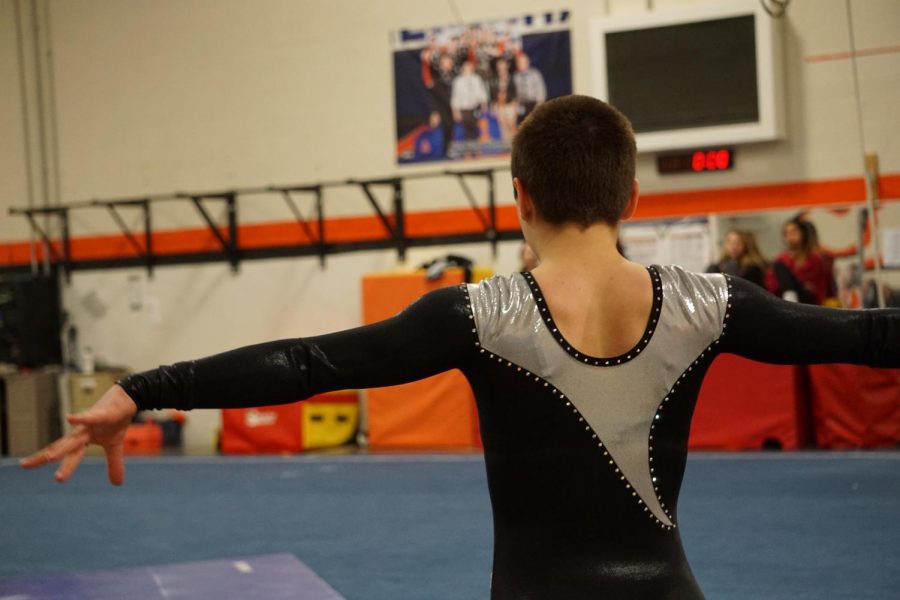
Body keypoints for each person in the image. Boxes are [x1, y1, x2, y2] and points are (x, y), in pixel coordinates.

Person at [21, 95, 900, 599]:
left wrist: (141, 389)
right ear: (632, 197)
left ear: (518, 195)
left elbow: (306, 363)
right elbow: (864, 335)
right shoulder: (710, 304)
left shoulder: (477, 315)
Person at [766, 217, 834, 304]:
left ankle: (790, 295)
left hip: (810, 301)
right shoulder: (781, 259)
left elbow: (820, 288)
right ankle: (790, 295)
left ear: (803, 234)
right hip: (785, 300)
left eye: (794, 232)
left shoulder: (815, 259)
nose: (790, 236)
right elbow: (772, 286)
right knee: (779, 266)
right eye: (786, 233)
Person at [451, 61, 489, 158]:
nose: (468, 69)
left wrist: (484, 106)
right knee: (466, 132)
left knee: (476, 131)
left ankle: (476, 151)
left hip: (475, 108)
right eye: (467, 67)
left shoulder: (476, 79)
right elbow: (455, 97)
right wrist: (456, 111)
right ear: (463, 69)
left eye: (470, 67)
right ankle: (468, 152)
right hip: (464, 109)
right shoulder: (458, 81)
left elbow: (482, 93)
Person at [512, 52, 546, 125]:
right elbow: (515, 93)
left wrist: (539, 105)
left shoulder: (535, 74)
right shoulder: (515, 76)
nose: (519, 64)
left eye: (522, 62)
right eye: (518, 62)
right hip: (522, 104)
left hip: (533, 103)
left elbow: (541, 90)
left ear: (527, 63)